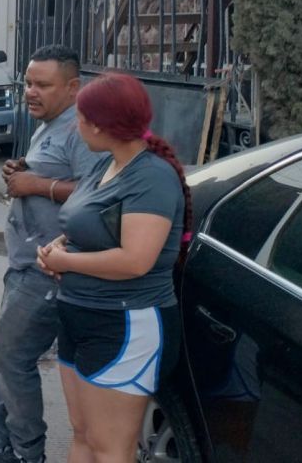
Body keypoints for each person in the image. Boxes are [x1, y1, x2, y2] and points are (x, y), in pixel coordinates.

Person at [0, 45, 103, 463]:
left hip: (49, 270)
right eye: (28, 82)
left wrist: (37, 186)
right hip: (23, 262)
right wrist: (22, 172)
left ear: (72, 87)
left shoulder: (81, 131)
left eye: (42, 85)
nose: (31, 91)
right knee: (7, 354)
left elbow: (100, 194)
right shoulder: (48, 122)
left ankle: (26, 453)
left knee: (13, 357)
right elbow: (46, 175)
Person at [37, 72, 192, 463]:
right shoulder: (105, 164)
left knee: (111, 449)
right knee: (83, 434)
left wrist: (67, 261)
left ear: (103, 125)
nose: (77, 124)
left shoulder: (152, 177)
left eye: (82, 117)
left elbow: (136, 260)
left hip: (124, 324)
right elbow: (87, 225)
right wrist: (60, 246)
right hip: (80, 315)